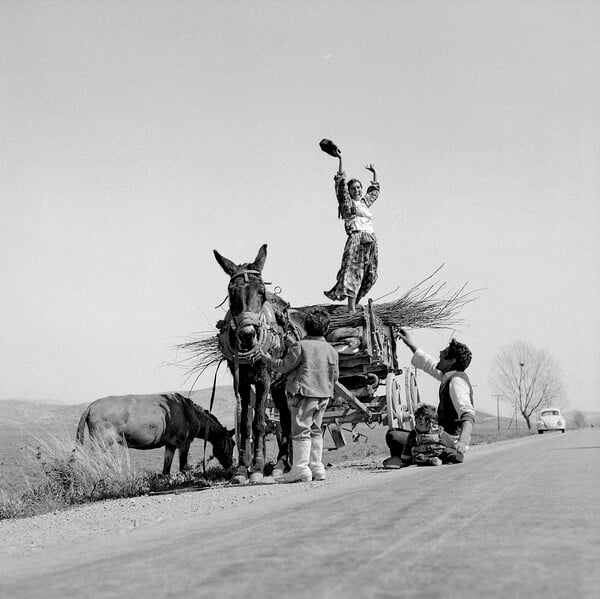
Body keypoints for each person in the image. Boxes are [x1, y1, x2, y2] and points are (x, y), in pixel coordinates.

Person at [259, 308, 339, 483]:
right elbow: (335, 375)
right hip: (323, 395)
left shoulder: (299, 346)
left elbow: (283, 366)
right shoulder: (331, 350)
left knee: (301, 430)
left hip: (304, 394)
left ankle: (300, 469)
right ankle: (317, 467)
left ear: (305, 327)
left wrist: (267, 359)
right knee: (316, 430)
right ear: (326, 329)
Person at [384, 329, 475, 468]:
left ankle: (412, 458)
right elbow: (429, 364)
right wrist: (410, 344)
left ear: (451, 361)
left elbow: (468, 415)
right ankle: (425, 456)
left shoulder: (456, 382)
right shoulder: (449, 376)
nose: (439, 353)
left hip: (447, 440)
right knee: (399, 436)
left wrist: (462, 442)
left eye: (443, 354)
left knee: (393, 436)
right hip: (442, 437)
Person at [324, 147, 380, 313]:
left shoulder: (364, 203)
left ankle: (354, 304)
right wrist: (340, 160)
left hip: (371, 240)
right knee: (353, 271)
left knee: (370, 274)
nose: (357, 190)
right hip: (356, 239)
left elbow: (375, 192)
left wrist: (374, 173)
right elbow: (340, 184)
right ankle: (350, 309)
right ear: (349, 191)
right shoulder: (348, 204)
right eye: (354, 188)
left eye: (359, 188)